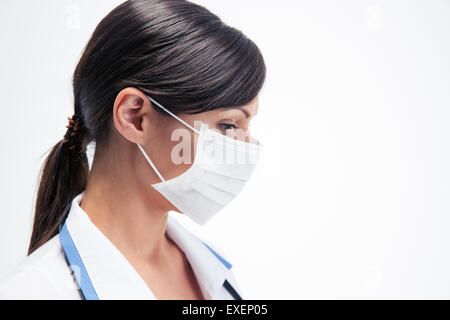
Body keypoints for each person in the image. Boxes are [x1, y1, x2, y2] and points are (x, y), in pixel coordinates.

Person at [0, 0, 266, 300]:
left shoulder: (212, 271)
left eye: (247, 126)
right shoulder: (34, 292)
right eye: (228, 126)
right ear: (134, 117)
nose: (245, 148)